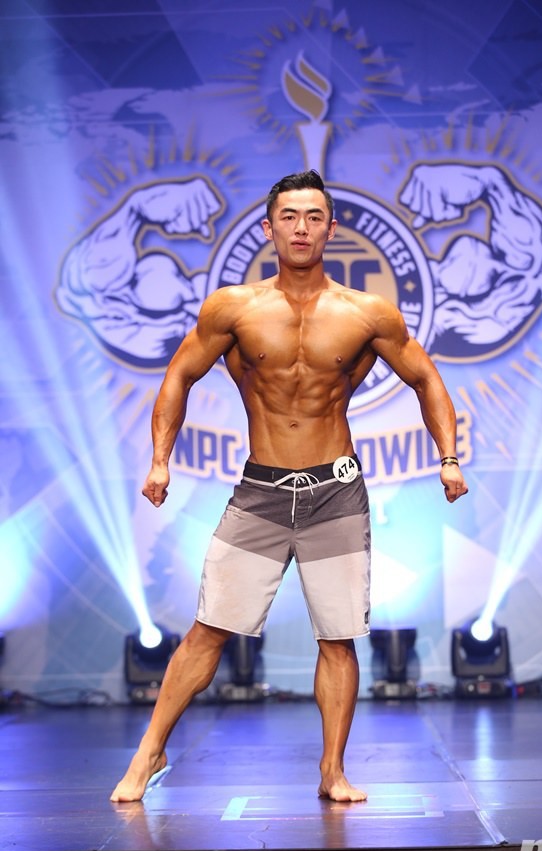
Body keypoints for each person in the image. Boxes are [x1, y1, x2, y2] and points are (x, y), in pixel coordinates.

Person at [110, 170, 468, 805]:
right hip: (261, 492)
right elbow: (179, 375)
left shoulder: (367, 313)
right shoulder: (233, 308)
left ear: (331, 228)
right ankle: (149, 751)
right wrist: (160, 460)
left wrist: (449, 457)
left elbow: (426, 378)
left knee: (338, 636)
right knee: (209, 629)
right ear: (269, 227)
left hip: (336, 491)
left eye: (313, 217)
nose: (301, 228)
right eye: (289, 217)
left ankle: (332, 771)